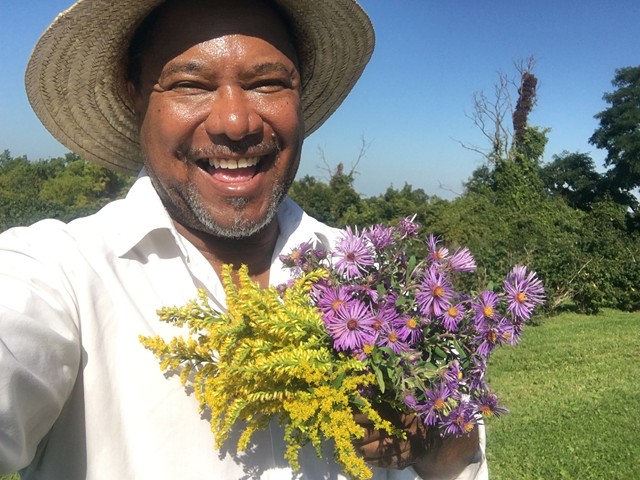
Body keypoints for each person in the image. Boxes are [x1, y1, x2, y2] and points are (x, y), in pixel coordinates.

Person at [0, 0, 488, 478]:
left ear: (299, 95)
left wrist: (429, 431)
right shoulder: (58, 273)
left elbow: (461, 462)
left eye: (268, 84)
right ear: (135, 96)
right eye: (190, 84)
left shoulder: (368, 272)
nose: (236, 123)